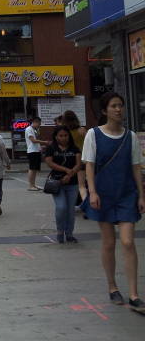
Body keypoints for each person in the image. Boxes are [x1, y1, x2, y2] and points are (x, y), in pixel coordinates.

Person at [81, 91, 145, 313]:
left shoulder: (131, 137)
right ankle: (112, 287)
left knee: (128, 242)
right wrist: (93, 192)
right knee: (109, 242)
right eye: (114, 106)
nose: (119, 109)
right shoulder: (93, 134)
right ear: (104, 110)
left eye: (121, 105)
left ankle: (135, 294)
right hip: (104, 194)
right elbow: (89, 165)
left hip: (127, 194)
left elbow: (136, 167)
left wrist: (141, 194)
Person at [44, 125, 82, 243]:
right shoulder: (51, 148)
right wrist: (65, 170)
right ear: (56, 137)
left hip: (72, 183)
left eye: (65, 135)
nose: (63, 138)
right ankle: (60, 231)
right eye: (61, 136)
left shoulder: (74, 148)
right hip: (57, 183)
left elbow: (78, 164)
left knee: (71, 210)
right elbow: (49, 163)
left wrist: (70, 174)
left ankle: (69, 233)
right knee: (61, 207)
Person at [63, 110, 88, 203]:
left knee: (70, 184)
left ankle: (69, 203)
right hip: (83, 159)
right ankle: (86, 206)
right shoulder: (82, 130)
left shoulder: (65, 133)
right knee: (82, 185)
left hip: (70, 161)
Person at [25, 117, 47, 191]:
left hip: (36, 150)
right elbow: (33, 140)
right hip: (32, 151)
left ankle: (34, 185)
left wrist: (41, 146)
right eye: (39, 124)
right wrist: (44, 142)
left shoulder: (35, 130)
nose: (39, 125)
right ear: (35, 122)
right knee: (32, 168)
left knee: (35, 169)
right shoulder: (29, 129)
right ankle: (31, 185)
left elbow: (35, 141)